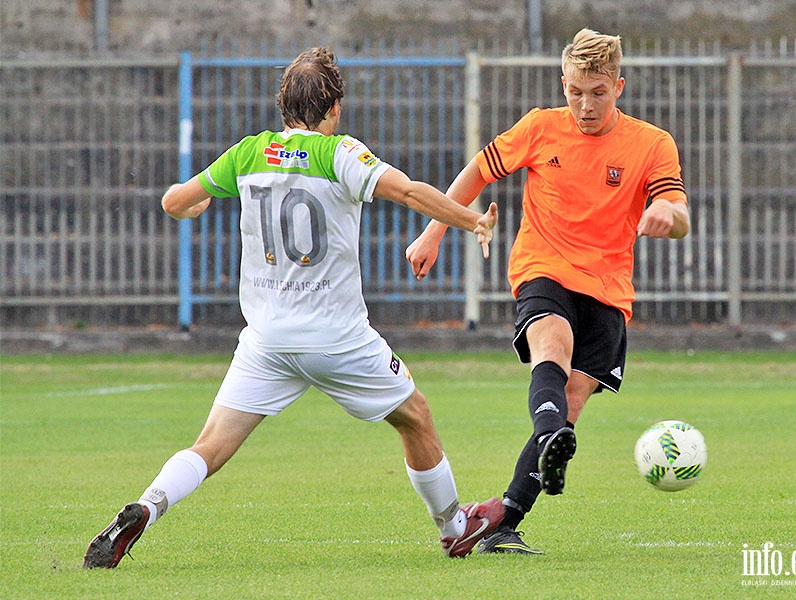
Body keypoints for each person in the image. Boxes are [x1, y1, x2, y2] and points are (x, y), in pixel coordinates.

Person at [83, 47, 504, 568]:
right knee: (414, 416)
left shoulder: (249, 153)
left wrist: (198, 201)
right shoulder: (340, 153)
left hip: (267, 340)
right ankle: (454, 528)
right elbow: (413, 193)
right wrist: (472, 221)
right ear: (334, 109)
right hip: (336, 338)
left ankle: (147, 506)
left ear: (283, 106)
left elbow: (174, 202)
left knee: (210, 445)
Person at [406, 28, 690, 554]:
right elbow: (477, 172)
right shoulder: (540, 127)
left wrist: (664, 215)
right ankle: (553, 440)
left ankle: (506, 518)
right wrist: (434, 231)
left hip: (608, 290)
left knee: (570, 402)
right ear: (564, 84)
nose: (585, 105)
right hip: (544, 268)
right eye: (576, 91)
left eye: (598, 92)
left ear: (619, 87)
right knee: (552, 350)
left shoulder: (652, 144)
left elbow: (679, 213)